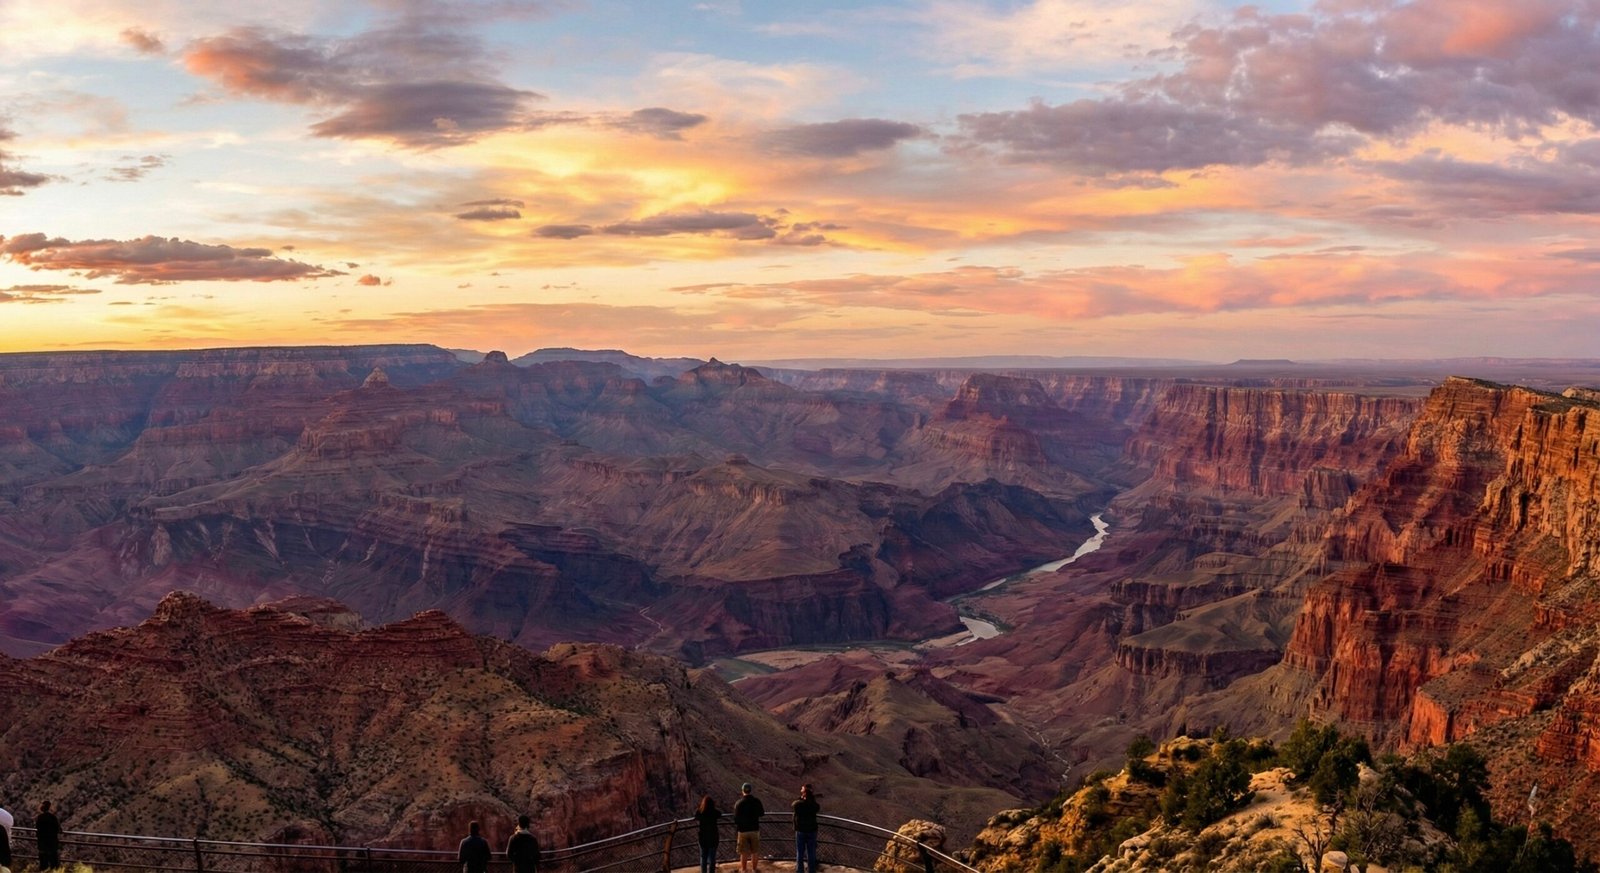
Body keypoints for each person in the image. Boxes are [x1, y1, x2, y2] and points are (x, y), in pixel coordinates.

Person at [732, 782, 765, 873]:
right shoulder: (756, 801)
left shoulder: (739, 803)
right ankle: (754, 869)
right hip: (754, 829)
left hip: (742, 830)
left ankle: (744, 870)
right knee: (755, 851)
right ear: (751, 790)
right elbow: (762, 813)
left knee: (743, 852)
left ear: (742, 791)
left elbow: (735, 819)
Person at [791, 784, 819, 873]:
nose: (800, 790)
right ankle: (811, 870)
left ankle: (800, 870)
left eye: (802, 790)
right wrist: (810, 799)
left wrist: (801, 798)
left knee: (800, 852)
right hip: (812, 831)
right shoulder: (813, 805)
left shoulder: (799, 804)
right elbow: (817, 807)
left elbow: (793, 804)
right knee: (811, 852)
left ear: (804, 793)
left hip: (801, 831)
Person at [693, 795, 721, 873]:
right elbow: (720, 814)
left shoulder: (700, 812)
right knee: (712, 858)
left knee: (703, 857)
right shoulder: (714, 812)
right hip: (713, 838)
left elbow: (695, 816)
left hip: (703, 838)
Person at [35, 801, 61, 871]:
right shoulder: (53, 817)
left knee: (43, 865)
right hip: (52, 844)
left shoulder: (40, 817)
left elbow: (38, 830)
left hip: (43, 844)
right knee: (54, 864)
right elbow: (59, 830)